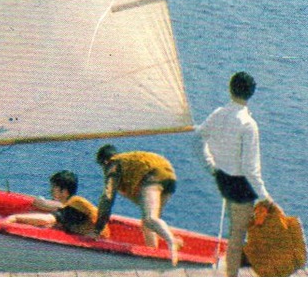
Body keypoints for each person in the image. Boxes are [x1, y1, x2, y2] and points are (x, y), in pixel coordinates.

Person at [197, 71, 272, 276]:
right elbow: (250, 168)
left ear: (230, 89)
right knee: (238, 235)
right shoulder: (248, 124)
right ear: (251, 94)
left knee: (236, 231)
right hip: (241, 185)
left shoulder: (218, 113)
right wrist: (265, 197)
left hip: (223, 178)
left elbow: (198, 138)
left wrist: (210, 165)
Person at [93, 145, 180, 266]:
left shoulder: (112, 164)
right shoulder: (127, 162)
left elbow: (107, 198)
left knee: (150, 219)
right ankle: (153, 254)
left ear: (105, 161)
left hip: (153, 175)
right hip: (169, 176)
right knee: (148, 223)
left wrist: (97, 229)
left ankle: (172, 241)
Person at [3, 170, 99, 237]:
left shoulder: (75, 204)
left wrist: (15, 218)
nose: (51, 191)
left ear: (64, 191)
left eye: (53, 188)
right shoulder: (72, 203)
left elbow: (49, 219)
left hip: (96, 243)